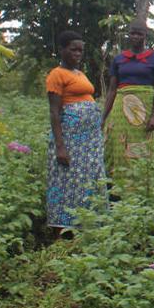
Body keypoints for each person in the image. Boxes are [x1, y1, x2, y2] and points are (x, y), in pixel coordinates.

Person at [45, 31, 108, 231]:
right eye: (73, 49)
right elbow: (54, 113)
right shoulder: (56, 74)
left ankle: (88, 223)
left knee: (88, 178)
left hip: (88, 142)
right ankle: (63, 227)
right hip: (71, 140)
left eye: (80, 50)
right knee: (67, 180)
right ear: (62, 50)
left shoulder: (79, 74)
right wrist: (60, 147)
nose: (78, 54)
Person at [102, 20, 154, 179]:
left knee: (141, 148)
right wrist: (103, 117)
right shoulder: (119, 59)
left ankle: (139, 185)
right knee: (117, 144)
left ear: (145, 36)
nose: (135, 36)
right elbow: (112, 89)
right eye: (132, 33)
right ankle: (116, 188)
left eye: (139, 33)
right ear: (128, 35)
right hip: (120, 110)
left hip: (143, 112)